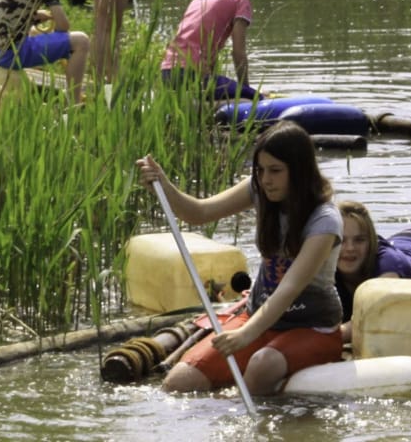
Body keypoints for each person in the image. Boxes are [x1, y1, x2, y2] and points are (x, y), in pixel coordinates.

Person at [136, 122, 343, 396]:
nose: (265, 179)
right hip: (258, 316)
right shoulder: (258, 189)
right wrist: (164, 185)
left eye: (275, 171)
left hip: (312, 326)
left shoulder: (324, 221)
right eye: (260, 170)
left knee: (261, 365)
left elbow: (289, 289)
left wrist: (245, 335)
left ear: (300, 172)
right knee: (180, 383)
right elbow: (199, 213)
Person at [333, 201, 411, 338]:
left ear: (371, 242)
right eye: (342, 240)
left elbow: (376, 311)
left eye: (359, 240)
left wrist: (332, 337)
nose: (350, 248)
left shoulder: (388, 264)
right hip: (399, 240)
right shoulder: (324, 264)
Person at [160, 0, 265, 100]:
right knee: (255, 97)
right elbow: (238, 53)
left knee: (221, 87)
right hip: (191, 76)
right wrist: (247, 91)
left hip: (167, 73)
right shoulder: (241, 2)